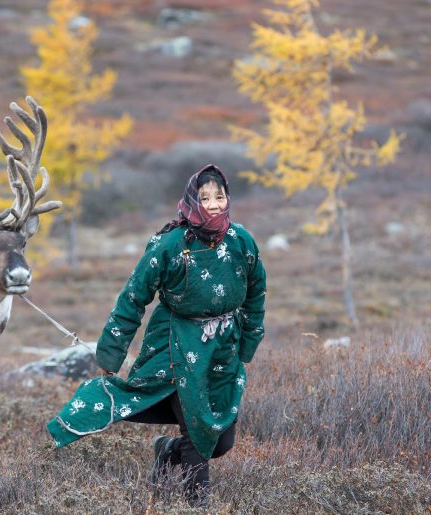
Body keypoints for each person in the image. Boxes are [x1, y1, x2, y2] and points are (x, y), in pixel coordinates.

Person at [47, 164, 267, 507]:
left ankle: (166, 450)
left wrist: (248, 344)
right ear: (192, 200)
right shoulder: (169, 245)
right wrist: (111, 354)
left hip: (224, 347)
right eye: (204, 197)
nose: (212, 203)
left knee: (221, 441)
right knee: (197, 428)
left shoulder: (242, 241)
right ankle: (198, 506)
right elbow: (133, 297)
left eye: (219, 196)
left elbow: (256, 292)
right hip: (177, 343)